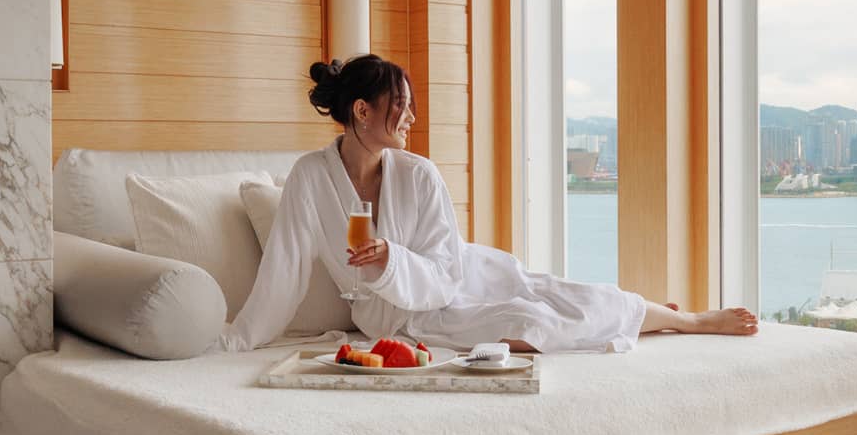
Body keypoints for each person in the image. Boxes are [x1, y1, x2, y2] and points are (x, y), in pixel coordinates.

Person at [220, 54, 757, 353]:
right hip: (402, 316)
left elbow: (445, 267)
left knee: (560, 295)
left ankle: (688, 321)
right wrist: (237, 341)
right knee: (527, 322)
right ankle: (648, 318)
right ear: (362, 111)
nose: (412, 118)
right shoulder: (311, 178)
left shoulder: (419, 174)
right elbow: (284, 270)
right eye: (400, 105)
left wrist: (392, 261)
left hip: (460, 278)